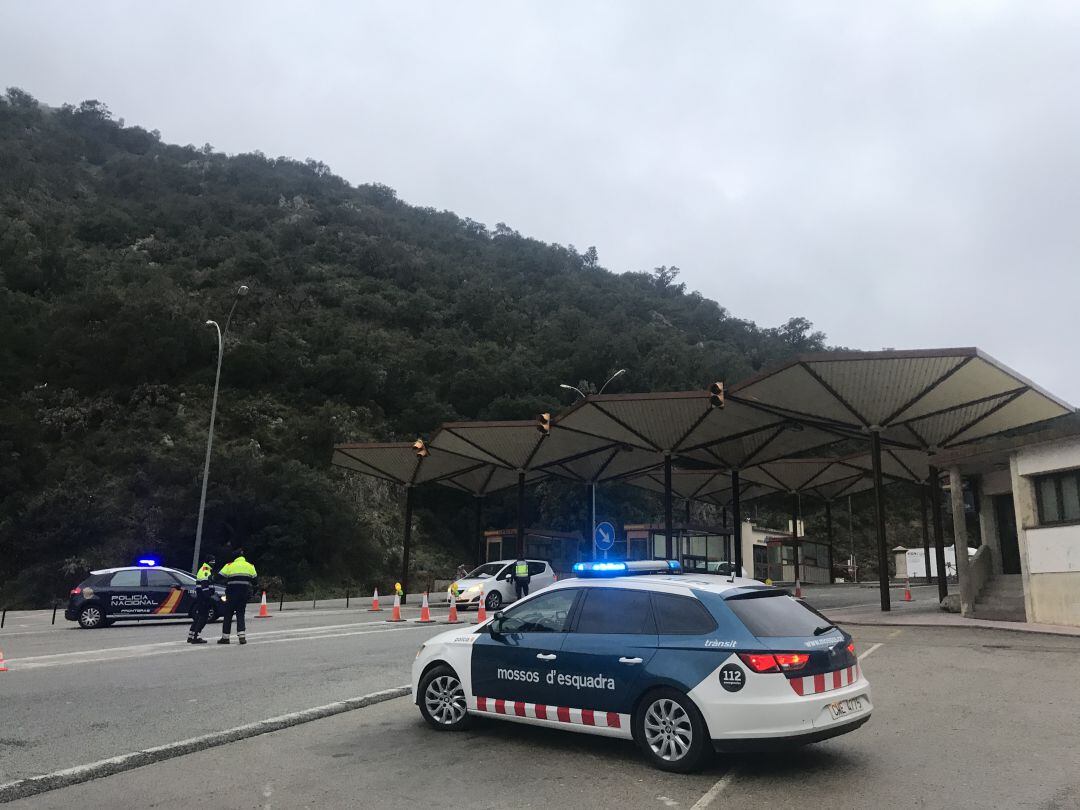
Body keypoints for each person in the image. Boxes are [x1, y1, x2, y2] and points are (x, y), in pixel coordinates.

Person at [218, 549, 257, 645]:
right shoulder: (250, 566)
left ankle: (225, 638)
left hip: (231, 594)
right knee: (240, 614)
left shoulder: (230, 565)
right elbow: (255, 581)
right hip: (243, 594)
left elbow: (219, 577)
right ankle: (242, 637)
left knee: (228, 615)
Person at [187, 555, 216, 644]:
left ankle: (191, 636)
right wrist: (208, 597)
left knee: (199, 616)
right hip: (203, 597)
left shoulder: (206, 569)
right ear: (208, 562)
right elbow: (204, 586)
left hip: (202, 596)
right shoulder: (205, 571)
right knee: (203, 617)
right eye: (212, 561)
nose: (214, 563)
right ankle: (196, 636)